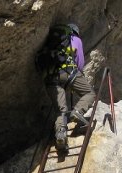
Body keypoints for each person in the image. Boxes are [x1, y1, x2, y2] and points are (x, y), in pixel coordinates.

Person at [41, 23, 96, 151]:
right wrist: (75, 78)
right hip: (68, 73)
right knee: (89, 93)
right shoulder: (75, 39)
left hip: (49, 78)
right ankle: (78, 111)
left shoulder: (51, 44)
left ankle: (61, 134)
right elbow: (80, 62)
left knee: (61, 110)